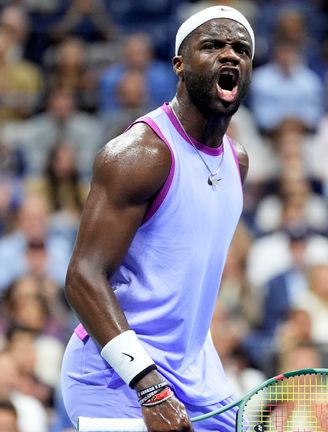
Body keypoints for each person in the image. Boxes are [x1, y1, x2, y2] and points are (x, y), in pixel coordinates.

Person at [61, 6, 254, 431]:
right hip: (116, 379)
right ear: (179, 65)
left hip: (197, 374)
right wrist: (150, 387)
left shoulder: (236, 162)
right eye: (213, 46)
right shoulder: (140, 154)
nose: (229, 55)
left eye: (241, 49)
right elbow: (82, 277)